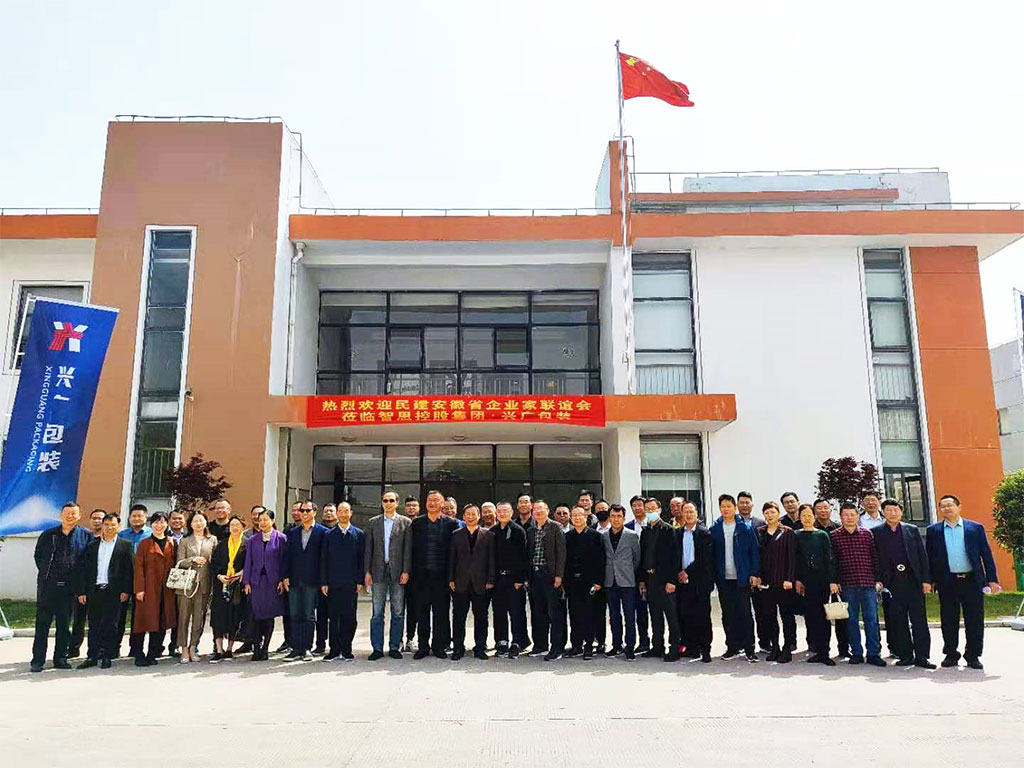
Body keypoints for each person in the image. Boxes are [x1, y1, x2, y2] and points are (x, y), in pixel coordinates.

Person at [926, 494, 1001, 670]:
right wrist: (930, 580)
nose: (947, 508)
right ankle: (951, 654)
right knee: (948, 619)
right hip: (947, 581)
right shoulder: (934, 530)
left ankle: (973, 655)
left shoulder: (975, 528)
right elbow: (930, 557)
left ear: (959, 507)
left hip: (972, 580)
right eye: (943, 506)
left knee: (974, 619)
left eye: (950, 505)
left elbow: (986, 555)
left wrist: (992, 579)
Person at [30, 502, 91, 672]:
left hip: (69, 589)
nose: (70, 516)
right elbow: (38, 556)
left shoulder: (86, 536)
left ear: (79, 516)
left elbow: (87, 563)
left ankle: (60, 658)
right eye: (67, 513)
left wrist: (81, 588)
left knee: (64, 626)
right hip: (48, 587)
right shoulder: (48, 535)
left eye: (73, 513)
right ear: (61, 515)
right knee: (42, 626)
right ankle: (37, 660)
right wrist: (46, 573)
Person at [873, 499, 934, 668]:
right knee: (898, 621)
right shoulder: (876, 532)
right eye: (888, 510)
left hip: (913, 582)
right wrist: (879, 580)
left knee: (919, 620)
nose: (892, 513)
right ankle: (906, 655)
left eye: (895, 510)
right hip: (892, 584)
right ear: (883, 513)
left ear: (901, 512)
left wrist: (926, 580)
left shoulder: (911, 530)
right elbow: (875, 559)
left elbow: (922, 556)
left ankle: (922, 657)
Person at [74, 512, 134, 670]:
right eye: (106, 524)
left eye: (112, 524)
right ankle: (92, 656)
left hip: (114, 591)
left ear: (118, 526)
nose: (109, 527)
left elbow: (129, 570)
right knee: (93, 624)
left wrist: (126, 590)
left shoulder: (125, 545)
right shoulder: (92, 546)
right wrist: (82, 591)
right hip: (95, 590)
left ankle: (107, 656)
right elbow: (84, 571)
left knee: (111, 625)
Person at [829, 502, 886, 667]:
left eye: (852, 514)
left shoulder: (867, 534)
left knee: (871, 620)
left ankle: (874, 653)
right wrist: (834, 581)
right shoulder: (834, 536)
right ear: (841, 517)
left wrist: (878, 579)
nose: (849, 517)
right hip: (847, 584)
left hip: (868, 582)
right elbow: (832, 561)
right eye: (845, 515)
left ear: (857, 516)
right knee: (851, 620)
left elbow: (874, 558)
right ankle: (856, 653)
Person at [710, 494, 761, 663]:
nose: (726, 509)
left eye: (729, 506)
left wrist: (754, 573)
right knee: (728, 614)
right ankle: (731, 647)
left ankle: (749, 649)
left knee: (745, 614)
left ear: (735, 508)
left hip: (742, 577)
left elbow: (754, 551)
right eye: (723, 506)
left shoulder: (745, 527)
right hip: (724, 578)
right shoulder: (715, 529)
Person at [410, 490, 459, 659]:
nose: (432, 503)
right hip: (421, 576)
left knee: (441, 613)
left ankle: (439, 647)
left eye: (436, 500)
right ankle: (423, 647)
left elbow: (454, 552)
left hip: (442, 576)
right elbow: (412, 549)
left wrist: (452, 576)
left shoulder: (451, 524)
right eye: (429, 500)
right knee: (422, 612)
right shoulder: (417, 523)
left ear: (442, 503)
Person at [365, 492, 412, 660]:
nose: (388, 503)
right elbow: (368, 549)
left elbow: (407, 549)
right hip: (378, 571)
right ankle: (377, 648)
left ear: (397, 503)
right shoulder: (373, 522)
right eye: (385, 500)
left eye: (392, 500)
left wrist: (406, 570)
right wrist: (367, 572)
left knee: (398, 611)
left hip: (398, 572)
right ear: (382, 503)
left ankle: (394, 646)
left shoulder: (405, 523)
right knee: (377, 612)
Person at [448, 504, 495, 660]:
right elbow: (452, 558)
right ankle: (458, 648)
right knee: (458, 617)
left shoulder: (488, 535)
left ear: (479, 516)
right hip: (460, 581)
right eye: (467, 514)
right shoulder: (456, 535)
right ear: (463, 516)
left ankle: (480, 648)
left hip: (481, 582)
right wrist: (451, 578)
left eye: (473, 514)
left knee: (481, 617)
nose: (470, 517)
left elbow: (491, 559)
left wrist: (490, 579)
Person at [283, 500, 327, 662]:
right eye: (302, 511)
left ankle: (307, 648)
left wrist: (323, 581)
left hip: (312, 581)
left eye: (308, 510)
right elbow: (287, 557)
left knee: (309, 616)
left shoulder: (323, 532)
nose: (304, 513)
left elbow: (324, 559)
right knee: (295, 615)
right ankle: (296, 649)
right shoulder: (293, 533)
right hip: (295, 580)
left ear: (315, 512)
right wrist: (285, 576)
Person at [320, 501, 365, 661]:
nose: (344, 514)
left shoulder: (359, 534)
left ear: (351, 513)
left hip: (351, 583)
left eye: (346, 511)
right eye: (341, 511)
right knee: (333, 617)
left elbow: (362, 559)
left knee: (349, 617)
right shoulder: (329, 535)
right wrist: (324, 581)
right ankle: (334, 650)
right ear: (337, 514)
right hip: (333, 582)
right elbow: (323, 559)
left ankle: (346, 649)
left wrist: (360, 580)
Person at [131, 512, 177, 666]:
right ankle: (138, 654)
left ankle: (153, 652)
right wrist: (139, 589)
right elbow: (138, 567)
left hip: (166, 590)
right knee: (142, 621)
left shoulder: (172, 543)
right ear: (151, 525)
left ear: (167, 524)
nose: (159, 525)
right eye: (156, 522)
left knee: (161, 621)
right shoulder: (145, 543)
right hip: (148, 588)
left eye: (162, 522)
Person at [794, 504, 837, 665]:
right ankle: (815, 648)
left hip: (822, 581)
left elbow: (829, 558)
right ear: (800, 518)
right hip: (805, 582)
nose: (807, 518)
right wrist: (798, 579)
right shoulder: (796, 535)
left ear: (814, 517)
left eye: (809, 515)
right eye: (803, 515)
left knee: (823, 616)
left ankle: (825, 652)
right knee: (811, 616)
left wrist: (832, 580)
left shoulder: (822, 535)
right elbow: (795, 559)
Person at [639, 498, 682, 661]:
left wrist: (672, 581)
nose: (650, 511)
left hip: (665, 579)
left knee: (671, 616)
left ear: (659, 510)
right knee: (655, 615)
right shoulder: (645, 531)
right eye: (647, 509)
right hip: (650, 579)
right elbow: (643, 556)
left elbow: (675, 557)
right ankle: (657, 646)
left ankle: (674, 648)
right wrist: (642, 580)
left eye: (653, 508)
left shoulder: (668, 530)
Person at [243, 509, 288, 661]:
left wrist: (282, 579)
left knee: (269, 616)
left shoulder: (281, 538)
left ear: (272, 521)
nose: (262, 523)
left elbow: (283, 561)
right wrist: (247, 581)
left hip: (272, 582)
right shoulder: (253, 540)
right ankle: (256, 648)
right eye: (260, 520)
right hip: (256, 582)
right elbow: (248, 562)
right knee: (256, 615)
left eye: (265, 520)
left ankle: (265, 648)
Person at [526, 500, 567, 661]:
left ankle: (557, 647)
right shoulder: (530, 530)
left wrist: (559, 575)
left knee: (555, 613)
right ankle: (540, 645)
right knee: (538, 612)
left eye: (541, 508)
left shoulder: (555, 527)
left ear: (548, 510)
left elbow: (561, 553)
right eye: (535, 509)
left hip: (550, 575)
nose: (538, 511)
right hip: (535, 575)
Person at [755, 501, 796, 663]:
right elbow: (756, 556)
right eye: (766, 512)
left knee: (787, 616)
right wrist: (757, 575)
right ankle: (775, 647)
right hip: (766, 583)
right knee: (769, 617)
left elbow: (792, 558)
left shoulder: (787, 532)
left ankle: (787, 648)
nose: (769, 515)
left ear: (778, 513)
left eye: (772, 512)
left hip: (783, 582)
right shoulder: (759, 532)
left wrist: (790, 578)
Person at [563, 506, 605, 660]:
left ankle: (589, 645)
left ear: (586, 517)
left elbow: (601, 561)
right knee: (574, 614)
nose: (577, 518)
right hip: (572, 582)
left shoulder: (596, 536)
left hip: (590, 582)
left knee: (590, 615)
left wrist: (598, 581)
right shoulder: (567, 537)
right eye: (574, 515)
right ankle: (576, 645)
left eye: (580, 515)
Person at [175, 511, 217, 663]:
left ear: (206, 522)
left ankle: (193, 647)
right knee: (183, 617)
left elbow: (215, 561)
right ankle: (184, 649)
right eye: (195, 521)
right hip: (186, 585)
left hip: (204, 584)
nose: (198, 524)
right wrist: (193, 560)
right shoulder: (184, 541)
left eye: (201, 520)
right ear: (190, 524)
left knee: (199, 618)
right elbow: (179, 562)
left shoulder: (212, 539)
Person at [675, 501, 714, 663]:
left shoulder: (705, 533)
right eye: (686, 512)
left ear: (697, 513)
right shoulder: (678, 533)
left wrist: (688, 572)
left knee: (702, 617)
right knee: (686, 615)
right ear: (681, 514)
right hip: (682, 582)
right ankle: (692, 648)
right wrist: (679, 573)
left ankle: (705, 649)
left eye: (691, 511)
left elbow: (705, 559)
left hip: (700, 582)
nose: (689, 514)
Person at [491, 501, 529, 657]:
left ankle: (518, 641)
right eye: (499, 511)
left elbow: (523, 556)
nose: (502, 514)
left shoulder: (518, 531)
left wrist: (520, 579)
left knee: (516, 611)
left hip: (514, 579)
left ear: (511, 513)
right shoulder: (492, 531)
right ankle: (502, 641)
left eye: (505, 511)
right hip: (498, 579)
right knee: (499, 611)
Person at [603, 503, 640, 660]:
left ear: (624, 518)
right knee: (614, 615)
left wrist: (630, 573)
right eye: (613, 516)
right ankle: (616, 645)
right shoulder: (604, 536)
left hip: (627, 581)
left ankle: (630, 647)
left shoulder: (631, 535)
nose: (616, 519)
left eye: (619, 516)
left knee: (629, 615)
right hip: (610, 581)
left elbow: (637, 558)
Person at [68, 507, 106, 659]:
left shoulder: (107, 541)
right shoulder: (83, 537)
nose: (97, 521)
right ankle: (73, 648)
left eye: (100, 518)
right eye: (94, 518)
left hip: (100, 587)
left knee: (97, 621)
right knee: (78, 619)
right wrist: (81, 589)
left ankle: (97, 650)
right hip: (83, 586)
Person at [813, 499, 848, 657]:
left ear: (830, 509)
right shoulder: (812, 529)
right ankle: (820, 649)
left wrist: (836, 579)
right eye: (819, 508)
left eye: (825, 508)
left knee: (839, 614)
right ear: (815, 511)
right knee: (819, 616)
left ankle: (843, 648)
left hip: (838, 578)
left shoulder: (838, 529)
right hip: (818, 579)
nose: (822, 511)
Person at [210, 514, 248, 662]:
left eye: (237, 525)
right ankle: (219, 649)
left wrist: (242, 573)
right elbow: (213, 564)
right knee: (218, 616)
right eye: (232, 525)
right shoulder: (222, 544)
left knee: (234, 617)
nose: (234, 528)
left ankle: (229, 649)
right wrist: (219, 575)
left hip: (237, 586)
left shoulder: (247, 544)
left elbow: (250, 563)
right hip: (221, 585)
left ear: (243, 527)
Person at [117, 504, 151, 659]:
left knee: (139, 616)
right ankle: (114, 647)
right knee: (119, 615)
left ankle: (136, 649)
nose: (136, 518)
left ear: (146, 517)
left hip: (143, 580)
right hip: (124, 578)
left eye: (140, 516)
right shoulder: (122, 535)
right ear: (129, 518)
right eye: (134, 516)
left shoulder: (151, 534)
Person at [625, 494, 650, 652]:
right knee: (637, 610)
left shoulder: (653, 525)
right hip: (632, 575)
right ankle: (641, 642)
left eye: (640, 505)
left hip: (651, 574)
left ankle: (656, 643)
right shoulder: (627, 527)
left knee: (654, 611)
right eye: (634, 505)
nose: (637, 508)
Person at [314, 503, 339, 654]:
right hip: (320, 579)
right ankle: (320, 644)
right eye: (326, 511)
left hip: (338, 579)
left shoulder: (340, 530)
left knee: (336, 615)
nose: (328, 514)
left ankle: (336, 645)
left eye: (331, 511)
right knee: (321, 615)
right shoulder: (318, 531)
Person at [402, 495, 420, 652]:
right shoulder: (399, 523)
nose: (411, 508)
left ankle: (410, 638)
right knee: (398, 608)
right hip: (399, 572)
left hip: (416, 574)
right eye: (409, 505)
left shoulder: (421, 524)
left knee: (414, 608)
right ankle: (397, 639)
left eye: (414, 505)